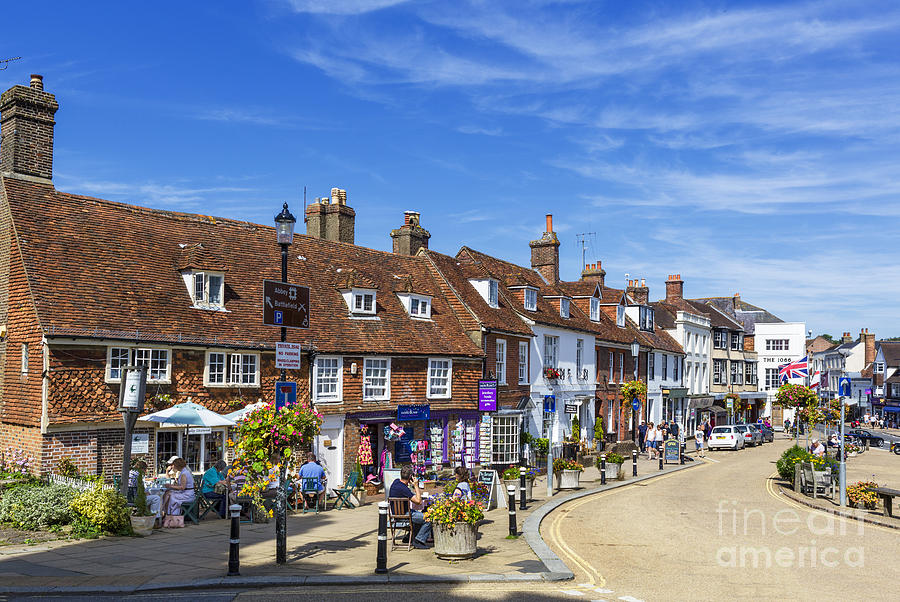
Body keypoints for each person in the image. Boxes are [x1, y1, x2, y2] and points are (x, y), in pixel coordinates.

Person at [389, 466, 432, 549]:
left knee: (418, 515)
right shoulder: (404, 489)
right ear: (410, 477)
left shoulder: (396, 482)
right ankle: (419, 540)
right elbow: (418, 501)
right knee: (429, 518)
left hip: (395, 514)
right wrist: (416, 485)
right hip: (404, 515)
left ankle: (409, 537)